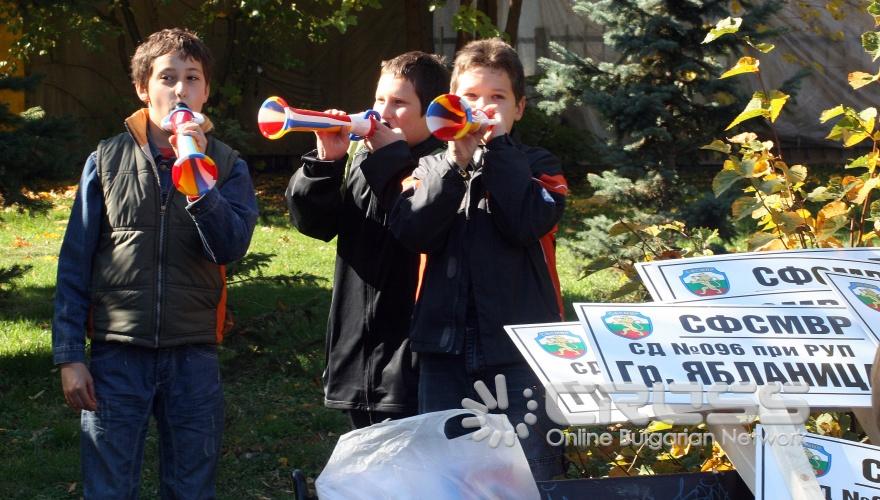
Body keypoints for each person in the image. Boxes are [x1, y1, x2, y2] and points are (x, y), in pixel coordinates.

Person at [52, 28, 258, 499]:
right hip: (117, 354)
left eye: (192, 78)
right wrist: (70, 356)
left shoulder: (228, 165)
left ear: (206, 91)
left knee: (190, 487)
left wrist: (200, 181)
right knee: (109, 487)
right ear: (143, 89)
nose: (180, 89)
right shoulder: (106, 160)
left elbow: (229, 246)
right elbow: (75, 262)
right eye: (167, 77)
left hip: (193, 355)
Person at [361, 38, 569, 480]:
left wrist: (497, 150)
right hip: (444, 353)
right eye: (471, 96)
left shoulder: (539, 165)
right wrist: (456, 162)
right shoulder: (429, 167)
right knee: (447, 477)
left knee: (530, 477)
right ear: (452, 102)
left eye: (498, 98)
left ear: (519, 108)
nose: (483, 108)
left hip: (521, 354)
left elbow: (526, 222)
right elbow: (414, 231)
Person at [285, 51, 449, 429]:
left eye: (399, 103)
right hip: (356, 357)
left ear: (431, 114)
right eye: (378, 99)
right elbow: (315, 225)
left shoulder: (442, 167)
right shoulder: (363, 160)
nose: (383, 113)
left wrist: (392, 160)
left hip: (409, 363)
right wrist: (325, 163)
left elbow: (421, 228)